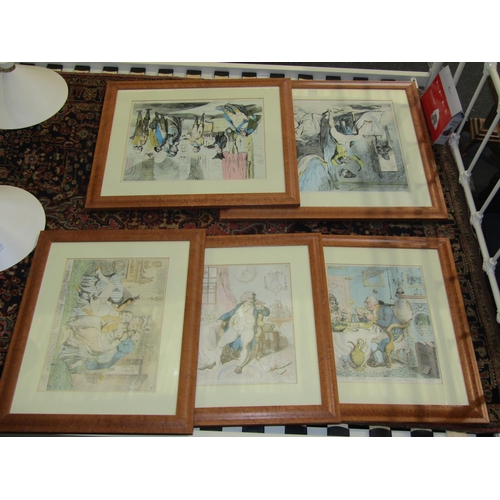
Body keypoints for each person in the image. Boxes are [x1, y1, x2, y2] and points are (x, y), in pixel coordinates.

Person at [213, 291, 270, 374]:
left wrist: (262, 307)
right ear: (245, 299)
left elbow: (267, 313)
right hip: (235, 327)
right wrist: (220, 320)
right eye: (249, 298)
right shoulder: (239, 306)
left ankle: (239, 366)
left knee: (245, 344)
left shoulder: (256, 307)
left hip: (248, 328)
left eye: (252, 298)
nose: (251, 300)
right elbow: (229, 314)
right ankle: (218, 363)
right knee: (221, 343)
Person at [363, 295, 406, 367]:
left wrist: (373, 319)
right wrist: (361, 316)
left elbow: (386, 323)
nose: (366, 305)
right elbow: (367, 321)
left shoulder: (386, 309)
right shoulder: (375, 310)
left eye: (368, 303)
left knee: (372, 340)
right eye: (365, 303)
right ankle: (379, 360)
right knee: (369, 338)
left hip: (394, 334)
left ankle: (380, 361)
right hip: (385, 333)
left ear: (375, 303)